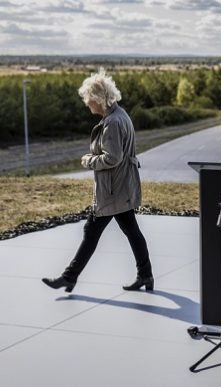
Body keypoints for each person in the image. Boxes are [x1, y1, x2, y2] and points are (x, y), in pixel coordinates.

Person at [42, 68, 153, 293]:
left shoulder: (112, 122)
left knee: (92, 231)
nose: (86, 103)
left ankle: (69, 277)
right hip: (122, 187)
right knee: (131, 230)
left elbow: (112, 158)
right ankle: (146, 275)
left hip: (112, 190)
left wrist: (89, 160)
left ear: (98, 99)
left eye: (88, 99)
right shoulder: (121, 114)